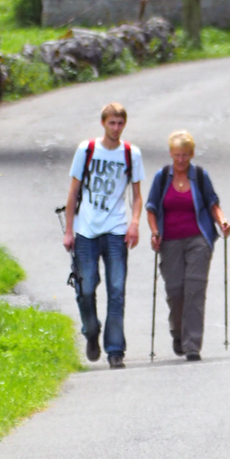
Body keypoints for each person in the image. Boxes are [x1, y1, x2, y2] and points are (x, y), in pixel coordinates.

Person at [63, 102, 144, 368]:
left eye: (120, 123)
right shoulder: (86, 151)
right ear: (103, 123)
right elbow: (73, 193)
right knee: (85, 288)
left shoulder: (131, 154)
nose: (116, 128)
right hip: (86, 230)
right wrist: (69, 230)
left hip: (116, 229)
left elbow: (136, 195)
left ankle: (114, 349)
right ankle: (91, 330)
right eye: (112, 123)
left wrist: (134, 223)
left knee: (117, 289)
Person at [146, 130, 230, 361]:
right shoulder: (162, 177)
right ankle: (177, 333)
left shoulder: (200, 176)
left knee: (195, 290)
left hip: (198, 240)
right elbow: (151, 208)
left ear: (191, 154)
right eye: (176, 155)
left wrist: (222, 221)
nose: (180, 160)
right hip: (169, 242)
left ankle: (192, 344)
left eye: (184, 155)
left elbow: (213, 204)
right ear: (171, 155)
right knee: (175, 292)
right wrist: (155, 232)